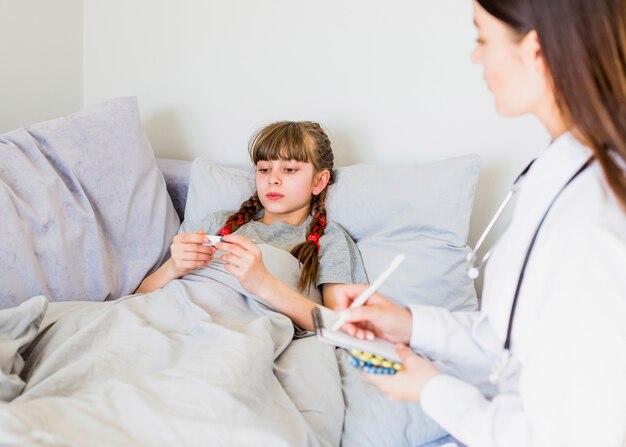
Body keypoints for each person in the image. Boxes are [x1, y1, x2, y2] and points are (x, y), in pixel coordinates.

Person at [333, 1, 626, 446]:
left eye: (482, 39)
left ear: (535, 50)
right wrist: (407, 323)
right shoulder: (561, 168)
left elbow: (567, 434)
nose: (475, 57)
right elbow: (512, 343)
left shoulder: (591, 225)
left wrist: (431, 389)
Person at [136, 120, 367, 331]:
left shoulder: (329, 239)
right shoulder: (217, 222)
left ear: (319, 181)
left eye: (289, 170)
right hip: (165, 317)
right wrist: (174, 267)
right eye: (264, 169)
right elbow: (138, 299)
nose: (272, 179)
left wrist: (264, 284)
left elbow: (341, 328)